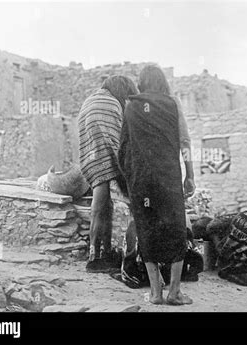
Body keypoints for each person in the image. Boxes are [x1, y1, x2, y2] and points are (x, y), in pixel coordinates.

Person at [118, 65, 196, 305]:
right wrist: (189, 174)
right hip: (168, 177)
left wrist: (129, 178)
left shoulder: (131, 107)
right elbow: (184, 142)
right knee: (175, 231)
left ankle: (155, 293)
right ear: (162, 82)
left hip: (141, 179)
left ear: (141, 83)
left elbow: (123, 148)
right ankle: (174, 292)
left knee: (147, 229)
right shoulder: (171, 104)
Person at [78, 75, 138, 273]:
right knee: (102, 205)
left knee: (101, 206)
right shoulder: (111, 103)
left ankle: (99, 253)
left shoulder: (91, 100)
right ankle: (96, 259)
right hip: (106, 155)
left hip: (91, 157)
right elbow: (118, 138)